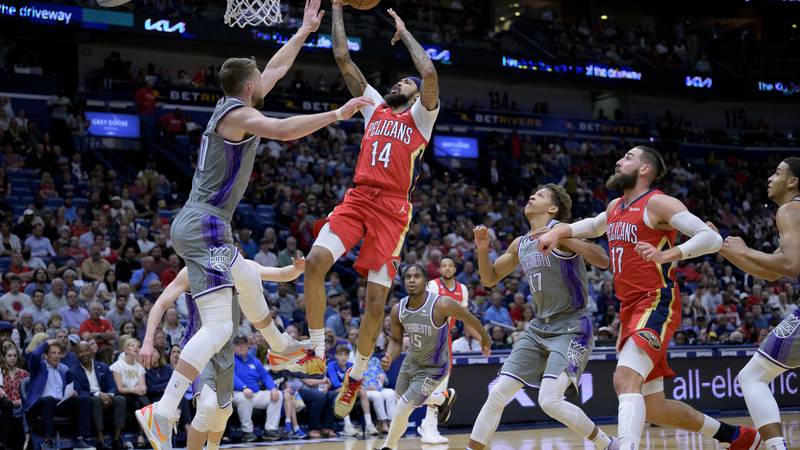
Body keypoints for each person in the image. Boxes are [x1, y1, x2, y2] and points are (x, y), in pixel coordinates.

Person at [134, 1, 373, 446]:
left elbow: (276, 71)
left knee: (245, 277)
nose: (267, 79)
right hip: (204, 222)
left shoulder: (233, 104)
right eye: (259, 78)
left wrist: (303, 32)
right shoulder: (238, 114)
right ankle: (162, 411)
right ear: (249, 85)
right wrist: (338, 115)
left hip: (207, 223)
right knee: (220, 327)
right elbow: (282, 131)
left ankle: (281, 349)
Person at [536, 146, 759, 450]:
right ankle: (737, 436)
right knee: (654, 406)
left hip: (655, 301)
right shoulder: (616, 206)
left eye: (627, 157)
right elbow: (592, 226)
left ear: (645, 169)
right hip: (630, 307)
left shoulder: (659, 203)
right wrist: (558, 233)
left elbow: (711, 238)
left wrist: (667, 253)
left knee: (624, 378)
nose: (619, 161)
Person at [295, 1, 441, 420]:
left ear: (415, 95)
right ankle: (317, 350)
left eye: (404, 83)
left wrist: (404, 31)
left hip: (392, 210)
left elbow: (428, 73)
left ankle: (356, 376)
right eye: (397, 81)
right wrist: (338, 7)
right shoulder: (374, 106)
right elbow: (342, 57)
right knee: (315, 262)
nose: (398, 84)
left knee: (376, 302)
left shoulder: (422, 117)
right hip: (358, 198)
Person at [468, 184, 615, 450]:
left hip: (571, 326)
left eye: (541, 194)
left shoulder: (566, 233)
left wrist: (561, 236)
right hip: (538, 328)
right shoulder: (520, 243)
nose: (532, 195)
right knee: (498, 392)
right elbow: (489, 279)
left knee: (549, 401)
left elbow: (603, 259)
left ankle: (607, 444)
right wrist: (482, 249)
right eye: (532, 192)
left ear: (553, 208)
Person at [138, 256, 305, 450]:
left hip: (225, 351)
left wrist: (297, 269)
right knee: (207, 407)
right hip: (200, 346)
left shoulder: (239, 266)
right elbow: (161, 303)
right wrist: (148, 341)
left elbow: (280, 274)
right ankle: (162, 414)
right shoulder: (193, 269)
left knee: (223, 412)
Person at [713, 157, 800, 450]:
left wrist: (744, 249)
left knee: (752, 376)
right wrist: (725, 250)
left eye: (777, 172)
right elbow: (772, 272)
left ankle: (776, 447)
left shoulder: (791, 209)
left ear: (793, 182)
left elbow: (789, 265)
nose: (770, 178)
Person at [378, 264, 491, 450]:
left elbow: (468, 317)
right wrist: (390, 355)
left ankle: (388, 446)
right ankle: (441, 399)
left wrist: (485, 339)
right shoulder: (398, 309)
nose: (412, 280)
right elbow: (397, 341)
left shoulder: (442, 304)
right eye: (408, 277)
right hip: (411, 363)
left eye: (417, 276)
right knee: (398, 406)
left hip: (435, 366)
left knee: (402, 407)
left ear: (426, 282)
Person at [419, 255, 470, 443]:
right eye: (444, 266)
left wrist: (481, 338)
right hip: (430, 337)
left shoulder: (462, 289)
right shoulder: (432, 286)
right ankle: (444, 399)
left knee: (441, 383)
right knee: (428, 383)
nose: (447, 268)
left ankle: (430, 427)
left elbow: (465, 317)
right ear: (439, 269)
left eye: (451, 265)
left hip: (446, 338)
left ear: (455, 269)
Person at [25, 338, 94, 450]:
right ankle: (48, 440)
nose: (57, 356)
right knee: (49, 400)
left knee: (84, 400)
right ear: (45, 355)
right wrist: (47, 342)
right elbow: (34, 355)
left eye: (58, 353)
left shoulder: (63, 369)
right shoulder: (38, 367)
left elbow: (69, 389)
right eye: (53, 353)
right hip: (40, 405)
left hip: (59, 403)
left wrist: (72, 393)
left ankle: (81, 440)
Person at [67, 340, 127, 450]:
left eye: (86, 350)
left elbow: (112, 385)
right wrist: (99, 394)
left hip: (106, 396)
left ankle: (117, 439)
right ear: (76, 354)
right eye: (80, 352)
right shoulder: (72, 371)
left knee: (121, 399)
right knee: (95, 400)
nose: (84, 353)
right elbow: (78, 391)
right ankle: (100, 440)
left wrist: (108, 395)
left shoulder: (103, 367)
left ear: (91, 351)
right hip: (92, 398)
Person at [232, 334, 283, 442]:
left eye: (243, 344)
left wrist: (273, 388)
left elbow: (265, 376)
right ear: (233, 347)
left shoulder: (255, 361)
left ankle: (270, 430)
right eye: (238, 344)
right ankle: (247, 432)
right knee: (243, 398)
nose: (241, 346)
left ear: (248, 346)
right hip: (236, 393)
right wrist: (243, 387)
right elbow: (232, 377)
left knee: (279, 394)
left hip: (255, 394)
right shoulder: (230, 360)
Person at [327, 344, 378, 436]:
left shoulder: (351, 365)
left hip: (348, 389)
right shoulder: (331, 365)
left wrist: (353, 386)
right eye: (341, 354)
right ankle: (347, 425)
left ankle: (369, 424)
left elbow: (358, 381)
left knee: (362, 391)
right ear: (336, 356)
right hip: (334, 392)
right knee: (347, 390)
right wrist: (350, 386)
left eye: (346, 355)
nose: (343, 357)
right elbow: (335, 383)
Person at [111, 338, 149, 448]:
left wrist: (139, 389)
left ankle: (141, 436)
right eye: (132, 345)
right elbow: (120, 388)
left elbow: (143, 387)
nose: (136, 348)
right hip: (123, 396)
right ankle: (118, 438)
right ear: (125, 350)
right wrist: (134, 389)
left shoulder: (140, 366)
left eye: (138, 346)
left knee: (142, 403)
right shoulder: (118, 365)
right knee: (142, 401)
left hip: (136, 396)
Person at [1, 345, 28, 450]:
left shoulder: (24, 373)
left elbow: (28, 393)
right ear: (4, 357)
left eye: (14, 356)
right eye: (9, 355)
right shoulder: (1, 373)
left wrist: (21, 401)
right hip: (6, 408)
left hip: (21, 407)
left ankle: (26, 439)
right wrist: (11, 402)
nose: (12, 358)